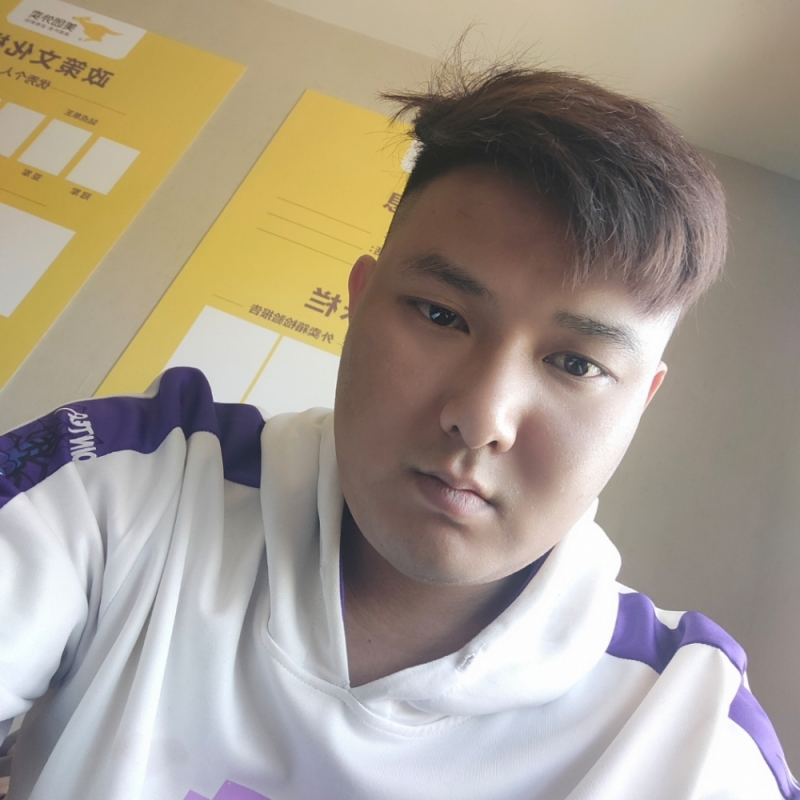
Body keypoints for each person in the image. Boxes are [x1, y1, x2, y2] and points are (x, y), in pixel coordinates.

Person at [0, 62, 797, 800]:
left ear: (641, 401)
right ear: (359, 302)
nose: (480, 418)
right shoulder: (130, 483)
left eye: (576, 364)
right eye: (441, 315)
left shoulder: (692, 735)